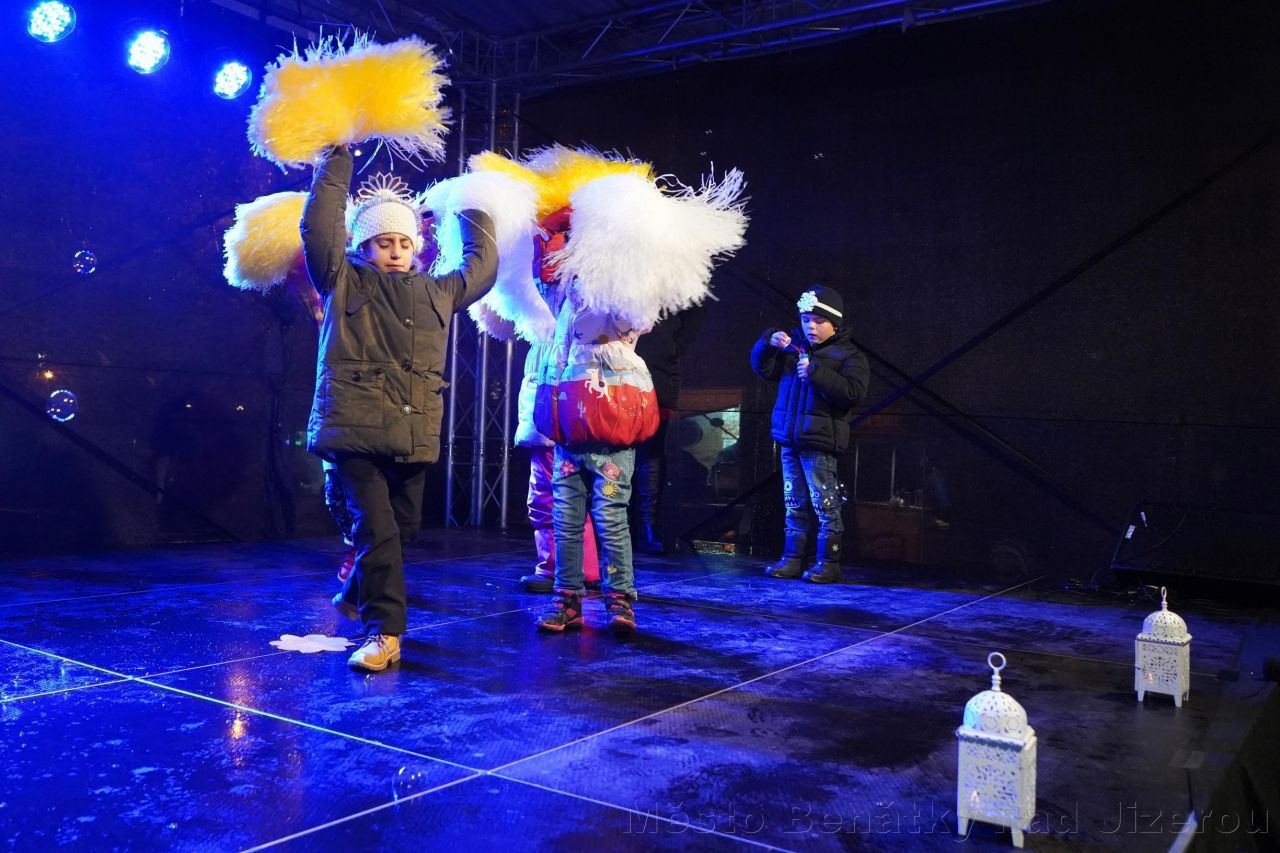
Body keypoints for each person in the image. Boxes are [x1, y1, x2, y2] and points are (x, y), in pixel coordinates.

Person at [303, 145, 497, 671]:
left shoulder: (435, 292)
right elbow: (319, 231)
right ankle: (384, 634)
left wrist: (474, 202)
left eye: (403, 243)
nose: (394, 251)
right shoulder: (343, 281)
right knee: (379, 532)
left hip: (411, 433)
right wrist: (336, 161)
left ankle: (356, 590)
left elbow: (481, 268)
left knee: (403, 531)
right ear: (363, 246)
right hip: (355, 431)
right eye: (383, 242)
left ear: (416, 248)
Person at [533, 281, 656, 636]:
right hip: (570, 422)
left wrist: (610, 278)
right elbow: (545, 277)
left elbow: (638, 319)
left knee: (610, 517)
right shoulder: (566, 294)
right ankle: (567, 599)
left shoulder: (627, 288)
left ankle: (619, 598)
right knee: (566, 519)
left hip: (613, 422)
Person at [750, 286, 869, 584]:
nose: (811, 327)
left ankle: (828, 562)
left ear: (835, 324)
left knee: (825, 503)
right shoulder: (794, 349)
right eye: (806, 320)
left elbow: (853, 393)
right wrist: (767, 342)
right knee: (793, 501)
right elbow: (762, 369)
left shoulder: (849, 355)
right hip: (789, 439)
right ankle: (792, 559)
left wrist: (817, 373)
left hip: (819, 442)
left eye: (818, 321)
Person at [517, 208, 601, 594]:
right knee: (545, 492)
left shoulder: (590, 291)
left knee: (567, 490)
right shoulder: (543, 295)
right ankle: (558, 566)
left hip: (571, 401)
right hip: (545, 402)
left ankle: (574, 569)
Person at [631, 304, 706, 555]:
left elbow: (697, 307)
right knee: (611, 448)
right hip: (613, 360)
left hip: (657, 365)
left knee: (651, 448)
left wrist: (673, 347)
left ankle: (647, 526)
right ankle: (614, 526)